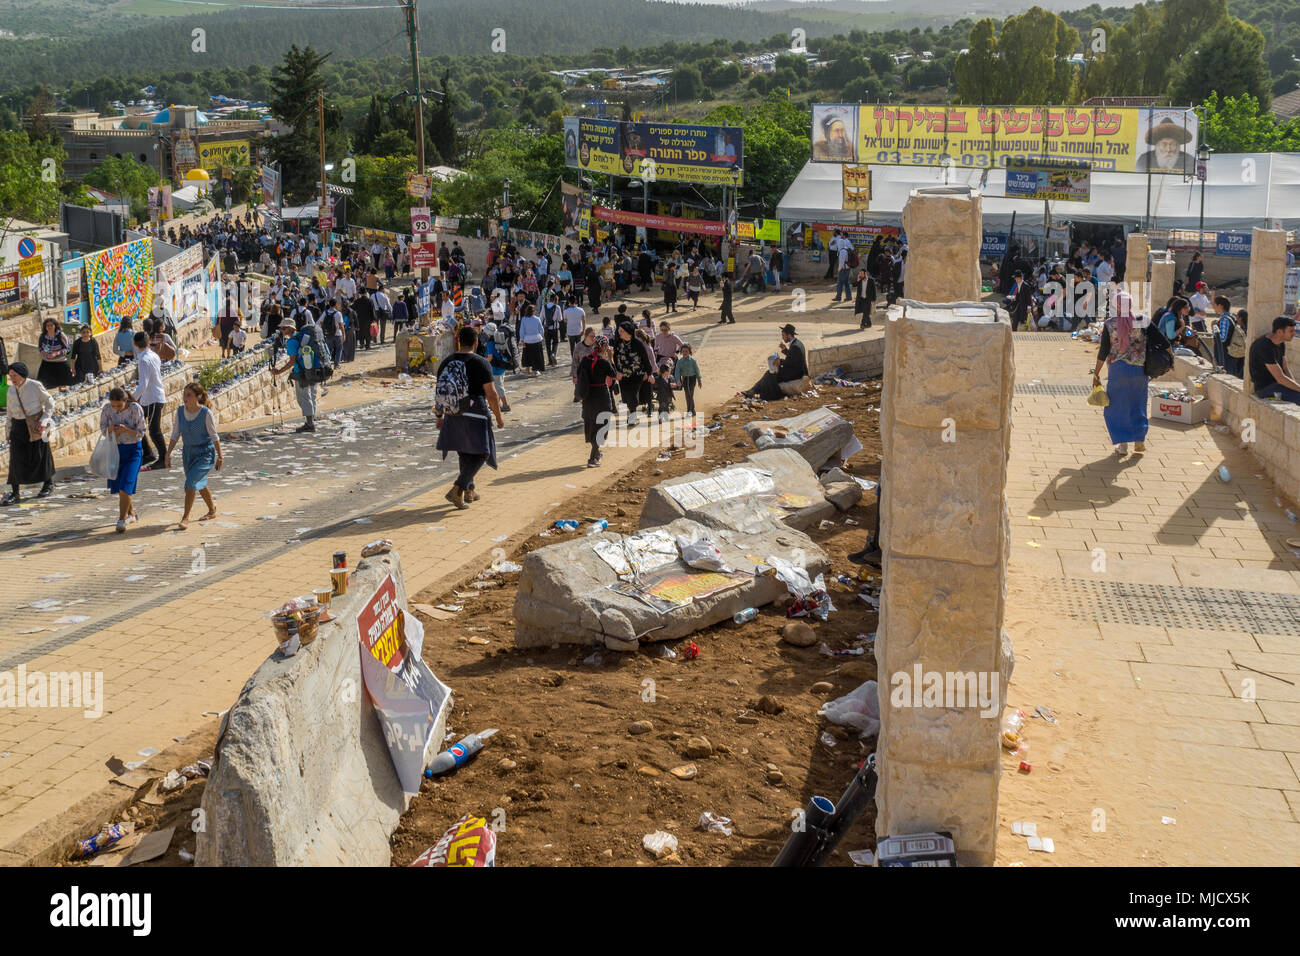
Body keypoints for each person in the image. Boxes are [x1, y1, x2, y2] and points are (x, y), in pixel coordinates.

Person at [435, 324, 504, 508]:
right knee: (482, 451)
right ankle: (457, 489)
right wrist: (498, 417)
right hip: (476, 412)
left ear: (459, 340)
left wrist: (439, 416)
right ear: (475, 342)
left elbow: (440, 391)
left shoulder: (447, 361)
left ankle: (469, 490)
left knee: (464, 451)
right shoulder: (481, 362)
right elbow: (491, 394)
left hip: (453, 412)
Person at [1092, 293, 1168, 455]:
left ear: (1117, 306)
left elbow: (1103, 351)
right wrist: (1170, 360)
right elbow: (1164, 342)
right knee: (1138, 405)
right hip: (1139, 371)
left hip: (1118, 371)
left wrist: (1096, 374)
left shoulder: (1110, 324)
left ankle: (1123, 444)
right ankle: (1139, 440)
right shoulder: (1143, 321)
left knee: (1116, 408)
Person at [164, 381, 222, 529]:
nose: (185, 398)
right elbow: (175, 434)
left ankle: (185, 518)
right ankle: (212, 510)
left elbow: (214, 436)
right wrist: (168, 453)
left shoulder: (205, 413)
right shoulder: (179, 412)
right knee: (199, 483)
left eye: (189, 395)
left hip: (205, 454)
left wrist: (220, 456)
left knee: (190, 482)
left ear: (198, 397)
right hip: (188, 454)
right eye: (184, 394)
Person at [2, 363, 55, 505]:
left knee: (41, 454)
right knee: (16, 459)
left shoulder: (35, 386)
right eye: (10, 376)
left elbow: (50, 402)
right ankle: (15, 492)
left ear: (22, 375)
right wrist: (7, 431)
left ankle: (48, 484)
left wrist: (44, 420)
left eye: (15, 375)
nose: (12, 378)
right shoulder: (11, 391)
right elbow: (9, 413)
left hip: (35, 425)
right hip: (18, 428)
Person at [99, 386, 146, 533]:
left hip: (133, 450)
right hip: (115, 451)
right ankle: (131, 514)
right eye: (113, 406)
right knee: (121, 486)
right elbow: (103, 430)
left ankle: (121, 519)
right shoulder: (107, 409)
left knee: (126, 483)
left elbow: (141, 433)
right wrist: (111, 429)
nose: (116, 409)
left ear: (125, 401)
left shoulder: (135, 408)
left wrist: (126, 430)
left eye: (119, 406)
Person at [269, 317, 327, 432]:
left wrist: (279, 371)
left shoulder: (291, 342)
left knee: (304, 397)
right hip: (314, 370)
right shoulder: (304, 339)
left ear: (290, 329)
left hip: (302, 373)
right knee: (312, 395)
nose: (282, 331)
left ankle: (310, 424)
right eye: (281, 328)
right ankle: (311, 421)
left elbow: (292, 361)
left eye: (284, 328)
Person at [576, 335, 616, 467]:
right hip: (602, 397)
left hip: (588, 398)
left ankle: (596, 454)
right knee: (602, 426)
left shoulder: (585, 361)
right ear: (605, 347)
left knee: (592, 425)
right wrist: (610, 358)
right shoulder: (604, 362)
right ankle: (593, 458)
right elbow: (614, 374)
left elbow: (579, 375)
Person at [742, 324, 809, 401]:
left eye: (783, 335)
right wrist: (785, 350)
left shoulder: (795, 347)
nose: (782, 337)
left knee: (770, 374)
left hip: (795, 373)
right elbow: (793, 357)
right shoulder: (796, 343)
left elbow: (793, 363)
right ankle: (753, 391)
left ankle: (755, 391)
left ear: (789, 335)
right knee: (770, 372)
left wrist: (780, 361)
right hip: (794, 370)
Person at [132, 331, 167, 469]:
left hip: (152, 397)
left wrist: (131, 399)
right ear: (148, 342)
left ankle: (163, 458)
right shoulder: (154, 355)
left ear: (135, 345)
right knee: (137, 425)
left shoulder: (143, 360)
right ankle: (148, 454)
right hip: (150, 398)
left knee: (154, 430)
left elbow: (143, 385)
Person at [1249, 316, 1300, 403]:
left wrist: (1296, 386)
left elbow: (1285, 368)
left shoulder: (1281, 343)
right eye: (1291, 331)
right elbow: (1280, 378)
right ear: (1279, 332)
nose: (1294, 334)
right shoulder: (1264, 346)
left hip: (1279, 385)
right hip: (1265, 389)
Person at [613, 321, 655, 425]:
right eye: (619, 331)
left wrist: (649, 373)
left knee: (632, 394)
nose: (619, 333)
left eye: (621, 331)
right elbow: (615, 357)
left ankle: (632, 415)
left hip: (636, 375)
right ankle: (633, 412)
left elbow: (645, 359)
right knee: (626, 396)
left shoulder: (638, 344)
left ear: (628, 331)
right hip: (623, 375)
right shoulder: (618, 343)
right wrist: (617, 371)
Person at [482, 321, 516, 412]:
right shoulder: (498, 340)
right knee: (499, 386)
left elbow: (490, 357)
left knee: (499, 387)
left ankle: (505, 404)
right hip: (502, 366)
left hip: (495, 368)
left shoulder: (489, 343)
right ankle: (496, 404)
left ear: (488, 333)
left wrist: (482, 362)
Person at [37, 318, 73, 389]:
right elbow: (40, 347)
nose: (50, 327)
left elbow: (68, 349)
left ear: (55, 326)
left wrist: (57, 353)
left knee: (62, 384)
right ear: (45, 327)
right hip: (47, 363)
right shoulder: (43, 336)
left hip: (60, 363)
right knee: (43, 384)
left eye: (51, 325)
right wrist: (42, 352)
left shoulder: (61, 335)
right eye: (48, 325)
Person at [672, 342, 701, 418]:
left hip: (692, 378)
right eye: (683, 351)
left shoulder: (693, 361)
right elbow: (677, 372)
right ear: (681, 352)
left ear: (689, 352)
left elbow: (697, 371)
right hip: (684, 379)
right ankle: (690, 410)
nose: (685, 353)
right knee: (687, 395)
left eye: (686, 351)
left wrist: (699, 380)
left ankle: (691, 410)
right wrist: (678, 380)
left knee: (690, 394)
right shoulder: (679, 362)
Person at [518, 304, 546, 376]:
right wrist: (542, 336)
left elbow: (522, 331)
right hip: (537, 339)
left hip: (527, 340)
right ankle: (535, 371)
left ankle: (528, 370)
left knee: (527, 355)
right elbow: (541, 329)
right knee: (536, 356)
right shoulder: (537, 319)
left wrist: (522, 340)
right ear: (534, 311)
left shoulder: (524, 319)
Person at [1223, 308, 1248, 379]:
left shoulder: (1240, 331)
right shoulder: (1247, 328)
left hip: (1239, 354)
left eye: (1237, 317)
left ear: (1240, 318)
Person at [541, 293, 563, 367]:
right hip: (554, 328)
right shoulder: (557, 307)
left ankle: (550, 361)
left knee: (547, 344)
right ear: (555, 300)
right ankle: (553, 354)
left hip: (546, 328)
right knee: (555, 342)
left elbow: (541, 318)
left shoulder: (544, 307)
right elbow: (560, 319)